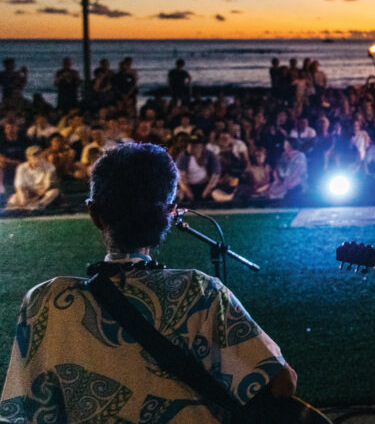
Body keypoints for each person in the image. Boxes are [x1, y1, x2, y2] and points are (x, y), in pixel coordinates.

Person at [0, 143, 297, 420]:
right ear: (169, 213)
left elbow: (21, 410)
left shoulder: (45, 301)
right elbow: (282, 383)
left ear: (95, 213)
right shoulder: (202, 292)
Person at [5, 145, 59, 210]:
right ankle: (15, 210)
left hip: (42, 194)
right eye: (34, 155)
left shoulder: (50, 167)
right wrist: (23, 199)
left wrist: (36, 198)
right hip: (27, 193)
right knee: (14, 198)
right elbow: (19, 187)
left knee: (54, 192)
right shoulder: (21, 168)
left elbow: (48, 186)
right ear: (28, 157)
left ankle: (38, 206)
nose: (38, 157)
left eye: (39, 154)